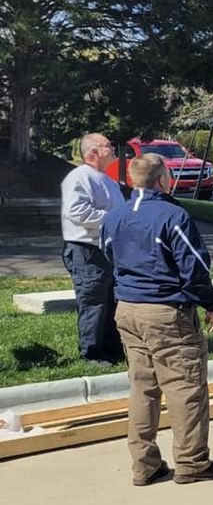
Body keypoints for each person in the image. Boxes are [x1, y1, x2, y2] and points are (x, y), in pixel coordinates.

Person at [101, 153, 213, 486]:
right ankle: (192, 463)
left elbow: (107, 254)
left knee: (143, 388)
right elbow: (195, 268)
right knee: (185, 387)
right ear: (163, 180)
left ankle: (144, 465)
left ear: (132, 181)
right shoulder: (174, 216)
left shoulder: (113, 217)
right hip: (165, 311)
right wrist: (210, 303)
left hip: (128, 309)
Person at [60, 133, 126, 366]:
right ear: (93, 152)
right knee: (93, 300)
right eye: (108, 145)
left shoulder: (106, 180)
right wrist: (114, 218)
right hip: (86, 250)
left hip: (106, 250)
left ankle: (111, 347)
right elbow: (76, 212)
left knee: (110, 299)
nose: (113, 148)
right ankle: (92, 352)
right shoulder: (79, 178)